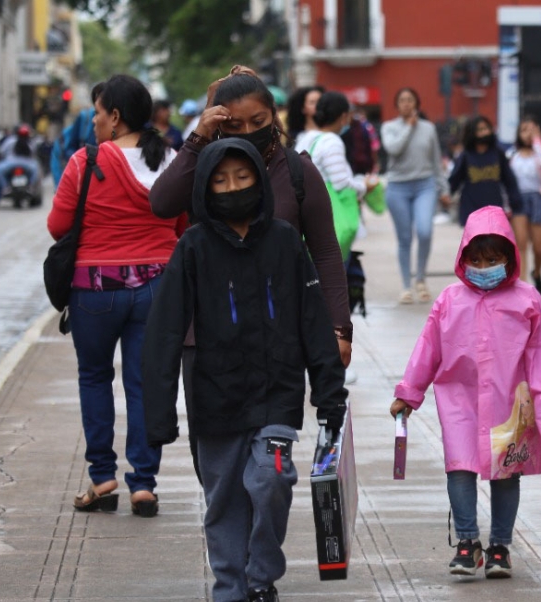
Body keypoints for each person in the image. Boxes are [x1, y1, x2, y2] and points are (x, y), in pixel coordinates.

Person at [141, 137, 346, 602]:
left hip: (277, 394)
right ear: (205, 190)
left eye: (243, 176)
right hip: (215, 398)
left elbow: (313, 321)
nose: (232, 187)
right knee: (225, 503)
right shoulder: (192, 248)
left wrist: (330, 393)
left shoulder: (285, 242)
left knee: (270, 479)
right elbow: (163, 334)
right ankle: (231, 589)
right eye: (220, 180)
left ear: (259, 178)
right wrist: (158, 415)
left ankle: (261, 576)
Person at [149, 69, 353, 476]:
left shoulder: (298, 172)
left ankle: (260, 536)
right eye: (234, 125)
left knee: (269, 467)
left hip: (278, 339)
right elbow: (162, 202)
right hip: (207, 342)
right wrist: (200, 135)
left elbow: (326, 254)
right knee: (216, 467)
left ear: (274, 116)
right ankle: (224, 536)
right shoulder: (207, 171)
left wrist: (339, 329)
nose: (248, 132)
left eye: (258, 123)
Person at [390, 205, 541, 579]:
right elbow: (428, 349)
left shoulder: (527, 301)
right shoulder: (449, 301)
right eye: (477, 259)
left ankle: (500, 546)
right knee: (459, 468)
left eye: (493, 259)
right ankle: (468, 543)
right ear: (464, 257)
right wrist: (409, 392)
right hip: (460, 400)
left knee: (506, 473)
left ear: (509, 257)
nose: (485, 267)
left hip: (510, 403)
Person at [47, 74, 184, 519]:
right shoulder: (171, 161)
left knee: (94, 378)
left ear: (116, 116)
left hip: (94, 289)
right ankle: (143, 485)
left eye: (99, 112)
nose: (94, 120)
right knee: (145, 384)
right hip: (157, 287)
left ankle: (103, 477)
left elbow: (57, 226)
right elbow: (182, 227)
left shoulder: (84, 163)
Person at [381, 87, 450, 304]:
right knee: (404, 238)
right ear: (397, 105)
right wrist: (408, 128)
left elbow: (436, 159)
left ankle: (420, 278)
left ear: (417, 104)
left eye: (410, 100)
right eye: (402, 100)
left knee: (425, 230)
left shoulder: (428, 128)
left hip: (425, 185)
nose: (406, 104)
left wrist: (444, 187)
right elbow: (393, 149)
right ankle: (405, 285)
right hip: (398, 187)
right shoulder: (389, 127)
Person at [293, 90, 377, 262]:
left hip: (308, 212)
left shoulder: (307, 138)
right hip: (328, 216)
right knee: (333, 268)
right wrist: (364, 187)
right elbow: (340, 183)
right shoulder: (332, 141)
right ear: (343, 116)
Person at [449, 115, 523, 229]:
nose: (484, 132)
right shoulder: (466, 156)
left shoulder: (498, 153)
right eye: (480, 130)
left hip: (494, 208)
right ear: (472, 133)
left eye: (486, 128)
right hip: (471, 208)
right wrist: (446, 194)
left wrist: (515, 201)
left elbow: (509, 180)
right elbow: (455, 179)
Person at [508, 115, 541, 295]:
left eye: (532, 129)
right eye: (524, 130)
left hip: (539, 198)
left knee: (539, 246)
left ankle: (537, 272)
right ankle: (523, 286)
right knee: (521, 244)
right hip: (518, 199)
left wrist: (537, 141)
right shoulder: (512, 155)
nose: (527, 134)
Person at [0, 124, 40, 208]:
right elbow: (34, 153)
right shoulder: (30, 142)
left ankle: (5, 187)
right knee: (36, 169)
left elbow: (2, 151)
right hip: (27, 164)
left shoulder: (10, 140)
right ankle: (30, 186)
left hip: (11, 163)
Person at [341, 107, 379, 175]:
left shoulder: (364, 127)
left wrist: (375, 163)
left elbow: (374, 146)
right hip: (345, 165)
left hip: (361, 165)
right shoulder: (341, 129)